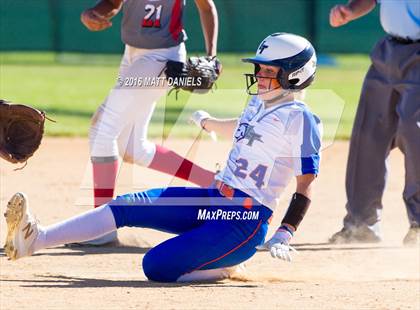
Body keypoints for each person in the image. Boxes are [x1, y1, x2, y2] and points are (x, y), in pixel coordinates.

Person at [4, 33, 321, 282]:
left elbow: (305, 184)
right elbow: (243, 127)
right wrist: (207, 122)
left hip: (245, 221)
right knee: (126, 205)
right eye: (259, 69)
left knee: (156, 266)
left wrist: (285, 232)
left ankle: (225, 265)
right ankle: (35, 239)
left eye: (269, 71)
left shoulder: (301, 119)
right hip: (215, 198)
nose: (260, 76)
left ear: (295, 75)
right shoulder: (259, 103)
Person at [79, 0, 220, 245]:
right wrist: (93, 14)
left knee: (102, 129)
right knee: (134, 148)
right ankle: (214, 182)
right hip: (132, 55)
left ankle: (100, 227)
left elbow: (206, 7)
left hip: (162, 59)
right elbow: (113, 3)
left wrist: (212, 55)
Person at [328, 0, 420, 245]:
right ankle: (361, 225)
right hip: (388, 50)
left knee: (414, 131)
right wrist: (350, 10)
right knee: (367, 134)